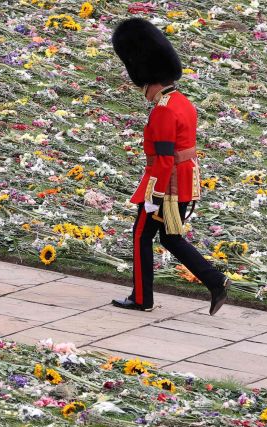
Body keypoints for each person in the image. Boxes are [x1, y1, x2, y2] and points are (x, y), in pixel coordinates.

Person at [109, 17, 229, 315]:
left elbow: (163, 159)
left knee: (141, 235)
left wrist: (153, 198)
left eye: (144, 86)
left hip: (167, 186)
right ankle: (216, 281)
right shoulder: (183, 102)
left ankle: (141, 298)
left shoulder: (163, 111)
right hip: (184, 181)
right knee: (170, 237)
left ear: (151, 81)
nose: (144, 92)